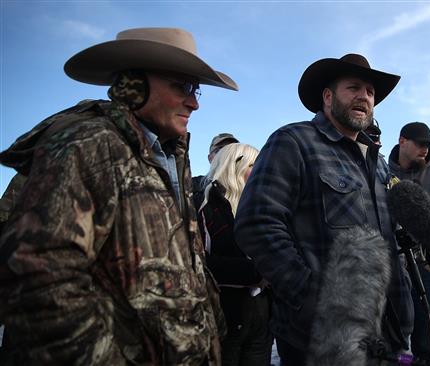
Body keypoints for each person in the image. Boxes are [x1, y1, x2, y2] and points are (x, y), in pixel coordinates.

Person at [0, 27, 238, 365]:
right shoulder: (88, 145)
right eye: (182, 86)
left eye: (195, 89)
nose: (194, 102)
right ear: (134, 84)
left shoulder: (171, 156)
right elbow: (38, 282)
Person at [234, 53, 414, 365]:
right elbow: (256, 224)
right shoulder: (293, 142)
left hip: (386, 332)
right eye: (353, 88)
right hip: (320, 340)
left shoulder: (379, 163)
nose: (364, 97)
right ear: (328, 97)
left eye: (370, 92)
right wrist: (312, 298)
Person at [198, 143, 272, 366]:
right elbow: (198, 262)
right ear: (234, 166)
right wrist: (256, 272)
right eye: (253, 165)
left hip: (262, 317)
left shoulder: (262, 206)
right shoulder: (204, 204)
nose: (260, 171)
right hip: (224, 316)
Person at [388, 121, 430, 365]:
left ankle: (427, 358)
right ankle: (399, 360)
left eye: (428, 144)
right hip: (391, 260)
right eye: (420, 143)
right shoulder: (381, 172)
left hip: (426, 263)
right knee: (392, 326)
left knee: (427, 323)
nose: (425, 149)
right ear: (402, 141)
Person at [192, 133, 239, 210]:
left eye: (232, 150)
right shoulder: (192, 187)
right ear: (210, 158)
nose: (226, 154)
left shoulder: (250, 188)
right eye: (219, 150)